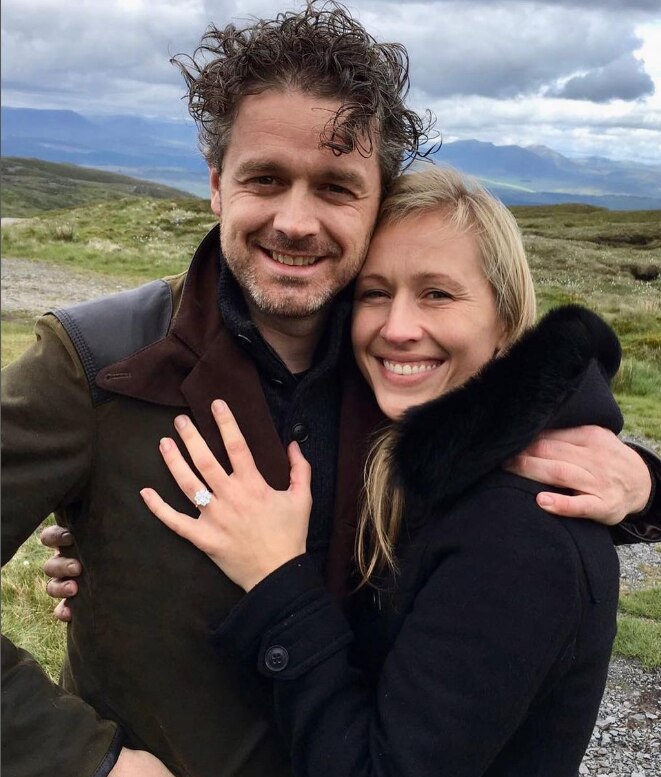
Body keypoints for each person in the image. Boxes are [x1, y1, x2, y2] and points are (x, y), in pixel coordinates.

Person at [1, 4, 658, 777]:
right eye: (265, 178)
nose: (295, 220)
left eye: (337, 187)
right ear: (216, 184)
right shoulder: (96, 361)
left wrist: (642, 478)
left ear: (376, 199)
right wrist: (85, 760)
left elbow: (528, 394)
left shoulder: (396, 366)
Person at [143, 167, 625, 775]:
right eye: (374, 293)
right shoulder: (415, 454)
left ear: (505, 322)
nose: (397, 329)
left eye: (438, 294)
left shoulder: (520, 533)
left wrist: (277, 581)